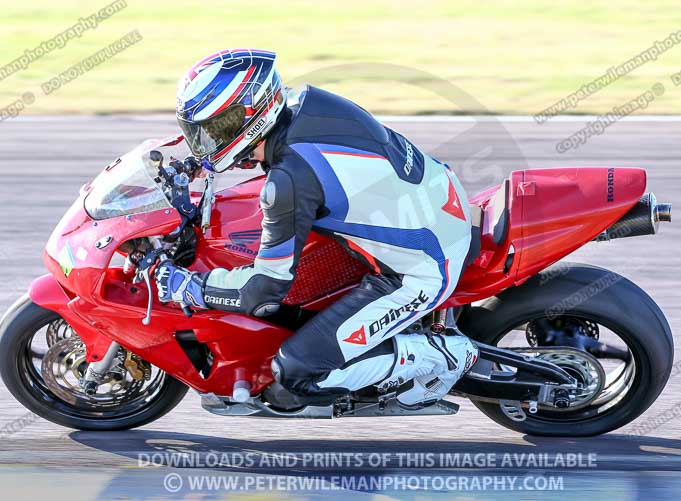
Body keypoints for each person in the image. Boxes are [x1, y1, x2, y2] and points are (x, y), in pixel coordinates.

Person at [156, 49, 477, 409]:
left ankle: (438, 355)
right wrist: (199, 162)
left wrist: (192, 287)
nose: (206, 141)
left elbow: (264, 289)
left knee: (297, 371)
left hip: (421, 268)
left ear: (250, 115)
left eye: (214, 129)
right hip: (436, 197)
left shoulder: (289, 182)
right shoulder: (304, 103)